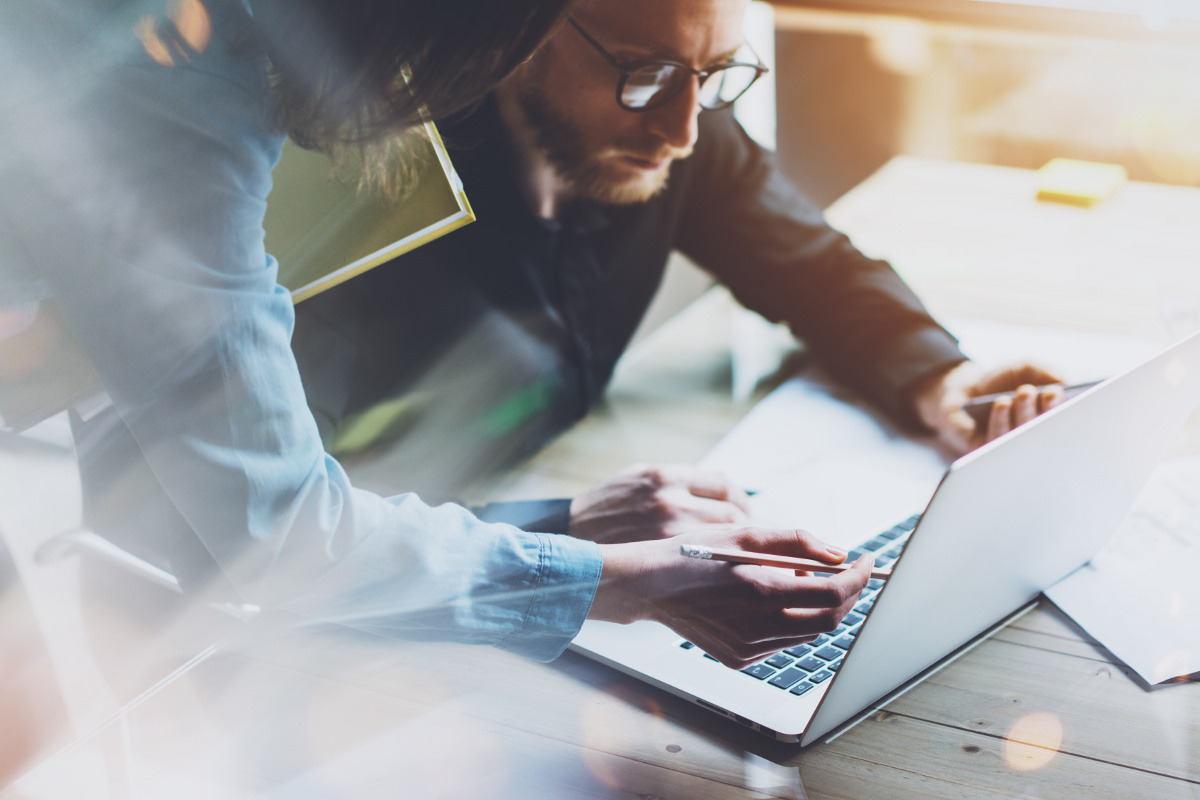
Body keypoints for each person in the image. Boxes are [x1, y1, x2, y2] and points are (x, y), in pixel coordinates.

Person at [0, 0, 871, 672]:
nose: (681, 126)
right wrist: (625, 579)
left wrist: (570, 536)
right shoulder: (193, 95)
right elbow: (261, 529)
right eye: (643, 72)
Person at [290, 0, 1065, 540]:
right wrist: (565, 528)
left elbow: (812, 266)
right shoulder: (358, 216)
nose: (685, 129)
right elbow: (280, 525)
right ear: (515, 28)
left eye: (714, 73)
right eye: (645, 73)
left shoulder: (666, 127)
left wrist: (938, 379)